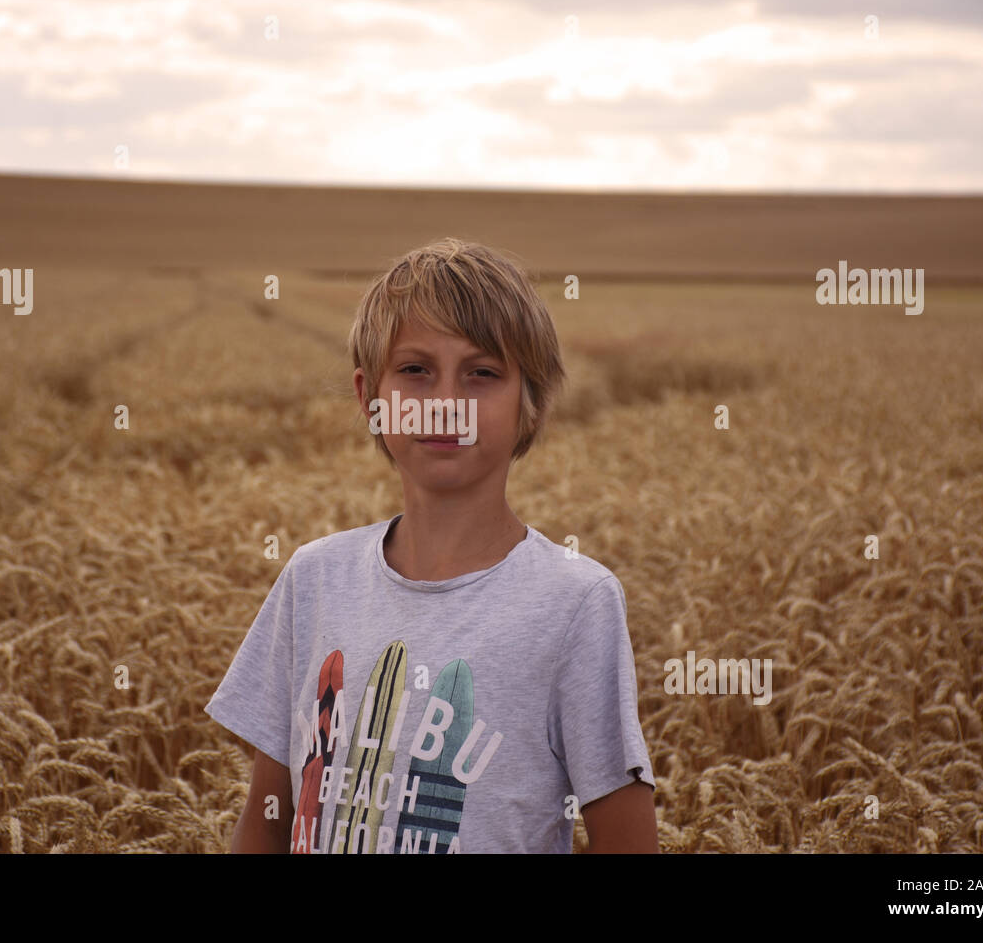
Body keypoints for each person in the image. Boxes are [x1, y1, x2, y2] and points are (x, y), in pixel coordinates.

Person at [205, 237, 659, 853]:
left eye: (482, 374)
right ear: (371, 400)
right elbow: (266, 821)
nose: (446, 405)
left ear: (530, 405)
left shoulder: (575, 603)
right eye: (416, 371)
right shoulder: (314, 580)